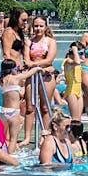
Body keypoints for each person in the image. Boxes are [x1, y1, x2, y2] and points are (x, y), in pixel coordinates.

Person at [23, 16, 58, 145]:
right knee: (29, 107)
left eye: (41, 26)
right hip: (32, 75)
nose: (38, 28)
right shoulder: (29, 42)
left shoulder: (50, 42)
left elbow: (49, 60)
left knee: (44, 107)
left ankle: (44, 133)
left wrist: (35, 65)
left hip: (46, 76)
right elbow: (26, 59)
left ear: (45, 27)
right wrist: (35, 66)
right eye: (36, 26)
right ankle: (27, 137)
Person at [0, 59, 39, 153]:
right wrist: (38, 68)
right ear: (12, 69)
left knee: (2, 139)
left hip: (2, 112)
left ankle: (1, 154)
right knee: (13, 139)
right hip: (13, 112)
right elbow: (29, 74)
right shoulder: (15, 78)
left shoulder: (1, 80)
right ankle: (10, 158)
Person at [62, 43, 84, 124]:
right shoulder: (68, 61)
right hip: (71, 91)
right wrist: (75, 50)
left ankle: (78, 136)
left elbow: (84, 61)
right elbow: (77, 62)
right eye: (80, 53)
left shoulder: (78, 60)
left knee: (79, 120)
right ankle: (72, 136)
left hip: (79, 90)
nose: (82, 56)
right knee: (75, 119)